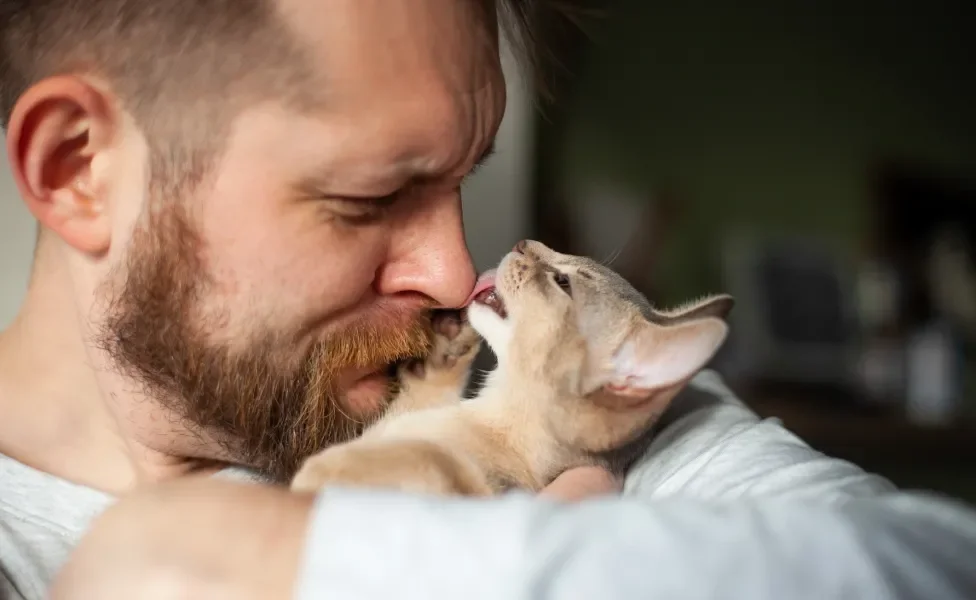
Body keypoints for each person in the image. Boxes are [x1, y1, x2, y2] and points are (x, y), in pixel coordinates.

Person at [1, 1, 975, 599]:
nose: (453, 271)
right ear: (77, 169)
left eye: (461, 179)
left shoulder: (522, 391)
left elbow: (937, 566)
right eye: (369, 197)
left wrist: (251, 560)